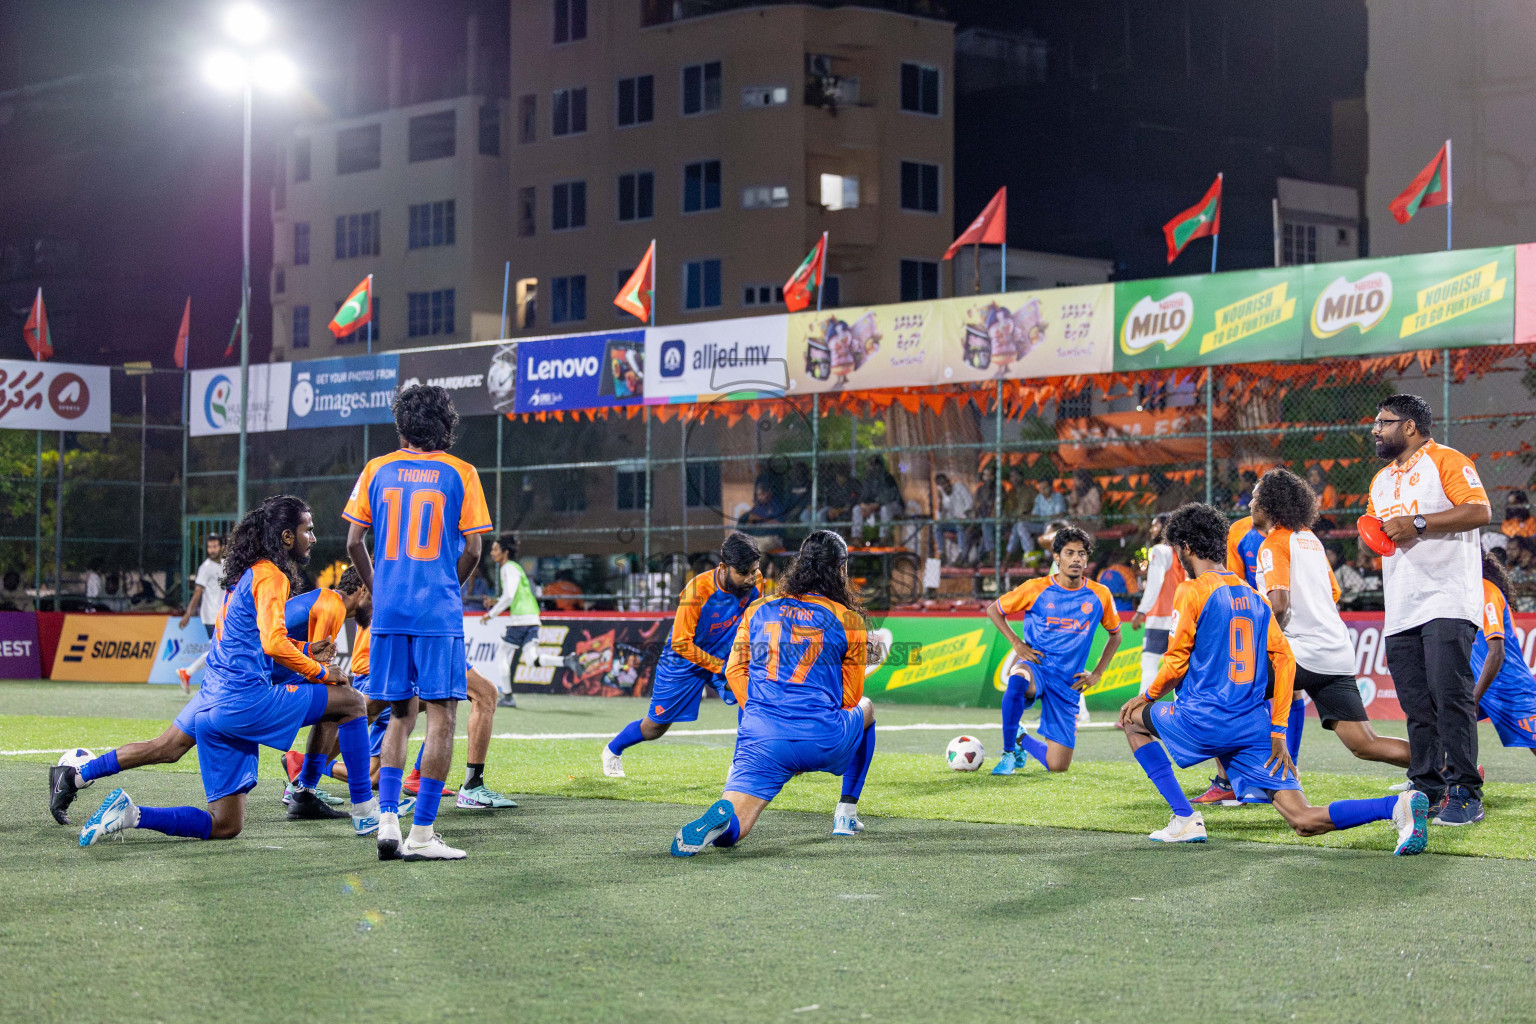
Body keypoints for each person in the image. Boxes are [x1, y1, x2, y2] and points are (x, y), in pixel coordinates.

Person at [1116, 502, 1428, 854]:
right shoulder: (1255, 597)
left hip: (1203, 719)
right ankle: (1396, 808)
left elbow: (1175, 663)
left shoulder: (1191, 590)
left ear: (1185, 548)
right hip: (1252, 728)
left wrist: (1147, 697)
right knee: (1303, 819)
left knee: (1132, 722)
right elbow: (1285, 664)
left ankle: (1184, 818)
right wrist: (1277, 730)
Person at [73, 495, 382, 847]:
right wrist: (324, 671)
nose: (312, 537)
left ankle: (128, 812)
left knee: (225, 824)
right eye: (307, 530)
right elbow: (273, 645)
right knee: (353, 702)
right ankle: (363, 812)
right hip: (246, 701)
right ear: (286, 537)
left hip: (212, 702)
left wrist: (309, 653)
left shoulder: (243, 577)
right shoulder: (274, 577)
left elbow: (254, 643)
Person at [345, 383, 492, 861]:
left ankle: (387, 820)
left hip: (389, 613)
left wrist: (383, 589)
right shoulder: (462, 473)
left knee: (399, 716)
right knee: (442, 718)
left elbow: (353, 543)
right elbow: (474, 548)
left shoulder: (376, 469)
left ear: (401, 424)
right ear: (445, 424)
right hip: (436, 611)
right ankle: (423, 834)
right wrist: (448, 587)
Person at [669, 531, 876, 855]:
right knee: (866, 708)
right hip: (820, 736)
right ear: (841, 568)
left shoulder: (758, 609)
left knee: (737, 825)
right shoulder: (848, 619)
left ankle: (719, 828)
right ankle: (846, 814)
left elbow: (735, 670)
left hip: (763, 733)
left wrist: (761, 708)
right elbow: (849, 698)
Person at [1366, 394, 1491, 825]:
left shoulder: (1448, 460)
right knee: (1417, 705)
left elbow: (1480, 510)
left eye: (1384, 422)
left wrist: (1419, 522)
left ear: (1410, 427)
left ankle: (1466, 792)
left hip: (1447, 598)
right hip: (1401, 606)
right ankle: (1426, 786)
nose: (1376, 430)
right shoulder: (1380, 480)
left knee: (1450, 698)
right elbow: (1376, 528)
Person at [1251, 468, 1411, 772]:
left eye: (1255, 497)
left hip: (1300, 655)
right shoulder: (1310, 539)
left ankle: (1241, 781)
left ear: (1269, 505)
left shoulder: (1274, 543)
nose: (1250, 503)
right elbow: (1334, 591)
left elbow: (1279, 605)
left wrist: (1260, 643)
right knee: (1365, 744)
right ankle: (1448, 767)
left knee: (1232, 692)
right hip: (1335, 653)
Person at [603, 533, 761, 778]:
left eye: (754, 571)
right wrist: (720, 666)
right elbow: (680, 643)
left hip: (725, 657)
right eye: (745, 573)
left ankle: (739, 767)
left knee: (749, 697)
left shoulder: (754, 581)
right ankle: (613, 750)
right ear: (723, 567)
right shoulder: (697, 591)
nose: (751, 578)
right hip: (683, 662)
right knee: (655, 727)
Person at [984, 526, 1122, 775]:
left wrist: (1098, 673)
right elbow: (994, 609)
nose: (1076, 559)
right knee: (1017, 679)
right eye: (1069, 553)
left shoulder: (1100, 595)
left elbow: (1116, 635)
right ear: (1056, 557)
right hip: (1037, 667)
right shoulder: (1035, 588)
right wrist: (1017, 643)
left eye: (1081, 553)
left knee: (1058, 766)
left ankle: (1021, 739)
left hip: (1068, 683)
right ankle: (1007, 754)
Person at [274, 567, 373, 817]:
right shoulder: (332, 606)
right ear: (362, 589)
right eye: (374, 594)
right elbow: (317, 671)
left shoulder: (329, 600)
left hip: (271, 675)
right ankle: (306, 788)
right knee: (341, 701)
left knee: (339, 699)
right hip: (266, 681)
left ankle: (304, 788)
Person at [481, 533, 567, 708]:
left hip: (520, 619)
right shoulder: (516, 568)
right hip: (533, 618)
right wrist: (496, 601)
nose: (492, 553)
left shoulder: (507, 568)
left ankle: (508, 696)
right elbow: (514, 595)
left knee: (502, 655)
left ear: (505, 552)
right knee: (530, 659)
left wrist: (491, 614)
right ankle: (566, 661)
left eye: (496, 549)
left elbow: (509, 597)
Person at [1471, 554, 1536, 762]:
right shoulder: (1464, 593)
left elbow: (1497, 652)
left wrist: (1474, 696)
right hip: (1479, 685)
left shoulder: (1486, 591)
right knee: (1438, 723)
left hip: (1509, 686)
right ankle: (1445, 779)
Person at [1131, 513, 1186, 697]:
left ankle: (1139, 709)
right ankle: (1182, 711)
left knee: (1149, 662)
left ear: (1165, 528)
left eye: (1155, 525)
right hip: (1181, 616)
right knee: (1178, 666)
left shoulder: (1159, 551)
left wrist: (1141, 611)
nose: (1152, 529)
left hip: (1160, 616)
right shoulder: (1184, 551)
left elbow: (1155, 583)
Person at [176, 533, 227, 694]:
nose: (212, 549)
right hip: (211, 616)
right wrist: (188, 613)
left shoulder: (225, 564)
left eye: (215, 546)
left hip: (223, 615)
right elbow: (198, 592)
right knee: (219, 650)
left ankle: (188, 673)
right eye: (209, 546)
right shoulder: (205, 568)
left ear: (221, 547)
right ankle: (190, 673)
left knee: (220, 650)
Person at [853, 455, 902, 542]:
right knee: (856, 509)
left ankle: (884, 538)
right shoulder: (868, 479)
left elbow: (888, 497)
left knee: (885, 509)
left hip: (893, 506)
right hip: (874, 508)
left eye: (873, 465)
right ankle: (857, 538)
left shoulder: (887, 478)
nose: (871, 468)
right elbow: (863, 496)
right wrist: (863, 505)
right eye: (870, 465)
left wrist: (876, 504)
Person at [932, 473, 973, 564]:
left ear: (948, 482)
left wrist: (963, 516)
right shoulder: (943, 496)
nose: (944, 487)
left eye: (945, 483)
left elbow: (970, 504)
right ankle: (942, 553)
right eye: (941, 485)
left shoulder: (959, 487)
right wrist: (940, 504)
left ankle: (961, 553)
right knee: (937, 526)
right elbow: (941, 518)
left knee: (959, 524)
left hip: (965, 520)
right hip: (952, 523)